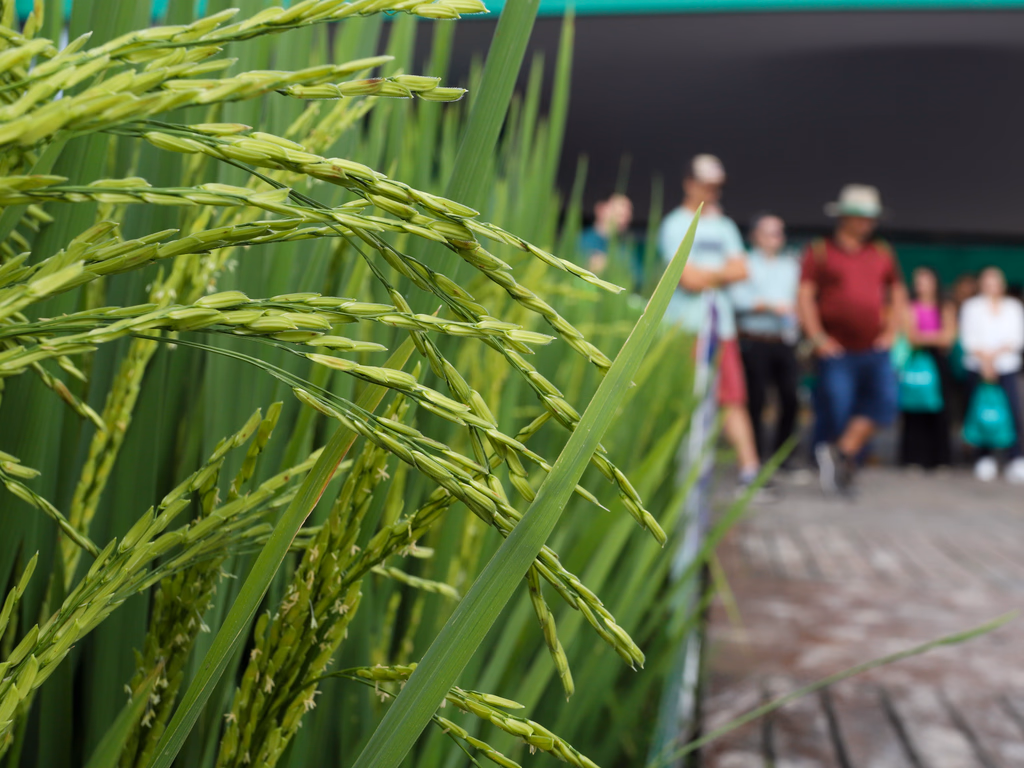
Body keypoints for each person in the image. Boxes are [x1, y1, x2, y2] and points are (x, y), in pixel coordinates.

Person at [659, 154, 764, 496]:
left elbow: (742, 269)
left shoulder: (724, 225)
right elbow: (687, 279)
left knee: (732, 397)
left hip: (721, 328)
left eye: (717, 186)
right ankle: (676, 468)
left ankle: (750, 470)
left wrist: (706, 275)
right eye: (707, 185)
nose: (713, 191)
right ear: (689, 183)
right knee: (682, 400)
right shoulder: (674, 224)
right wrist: (721, 273)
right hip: (684, 328)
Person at [798, 184, 907, 494]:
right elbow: (805, 296)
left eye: (871, 217)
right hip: (837, 350)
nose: (867, 223)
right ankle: (841, 463)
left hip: (874, 349)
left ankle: (843, 451)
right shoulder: (820, 250)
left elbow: (897, 292)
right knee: (838, 406)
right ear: (844, 217)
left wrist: (891, 331)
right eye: (861, 216)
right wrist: (818, 338)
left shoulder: (881, 252)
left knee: (885, 404)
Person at [728, 213, 801, 467]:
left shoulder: (791, 266)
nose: (774, 238)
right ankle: (754, 457)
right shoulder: (743, 263)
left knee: (790, 398)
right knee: (755, 400)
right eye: (768, 232)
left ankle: (783, 456)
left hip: (784, 340)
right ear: (755, 236)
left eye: (778, 233)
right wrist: (770, 306)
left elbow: (798, 302)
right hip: (754, 340)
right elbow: (738, 300)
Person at [959, 266, 1024, 483]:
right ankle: (983, 457)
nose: (991, 287)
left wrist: (994, 358)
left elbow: (1017, 338)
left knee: (1012, 411)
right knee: (980, 413)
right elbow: (968, 339)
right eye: (987, 282)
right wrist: (985, 362)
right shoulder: (971, 307)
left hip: (1006, 366)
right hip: (978, 367)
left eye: (995, 282)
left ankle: (1015, 457)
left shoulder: (1013, 307)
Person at [899, 266, 957, 469]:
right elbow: (910, 336)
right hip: (915, 360)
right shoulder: (909, 307)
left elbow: (948, 338)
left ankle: (940, 458)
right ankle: (913, 457)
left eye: (926, 281)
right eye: (918, 281)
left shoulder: (945, 306)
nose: (921, 285)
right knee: (914, 408)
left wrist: (924, 337)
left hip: (938, 362)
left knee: (940, 409)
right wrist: (935, 337)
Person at [578, 193, 642, 288]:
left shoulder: (626, 248)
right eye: (618, 214)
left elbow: (639, 278)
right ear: (600, 209)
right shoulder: (581, 241)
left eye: (626, 215)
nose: (622, 220)